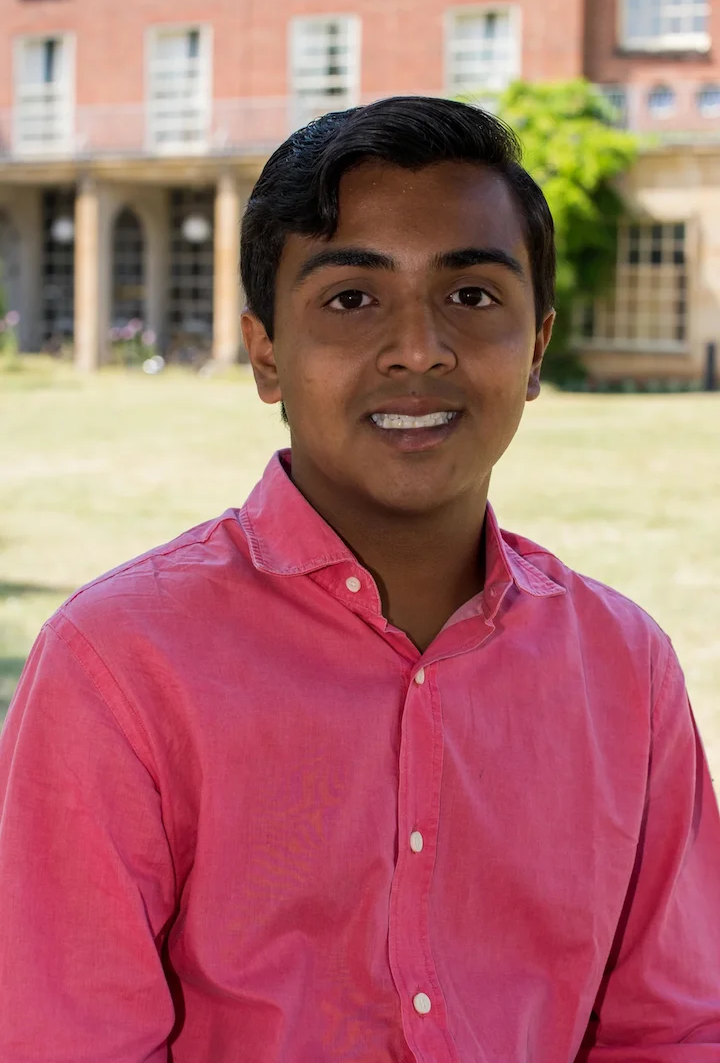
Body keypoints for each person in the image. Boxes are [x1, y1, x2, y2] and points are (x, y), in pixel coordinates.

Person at [1, 97, 718, 1063]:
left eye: (471, 296)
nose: (419, 347)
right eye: (351, 299)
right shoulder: (118, 665)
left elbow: (676, 1028)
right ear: (266, 354)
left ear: (537, 346)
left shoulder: (627, 671)